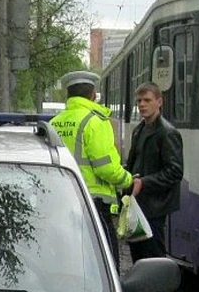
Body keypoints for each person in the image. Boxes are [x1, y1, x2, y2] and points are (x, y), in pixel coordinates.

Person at [50, 70, 142, 272]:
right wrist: (128, 180)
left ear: (69, 95)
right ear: (93, 94)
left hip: (59, 204)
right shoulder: (96, 121)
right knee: (104, 268)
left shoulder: (54, 123)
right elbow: (106, 168)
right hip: (94, 206)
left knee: (67, 264)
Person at [125, 82, 183, 292]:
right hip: (140, 207)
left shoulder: (166, 132)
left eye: (147, 100)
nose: (142, 105)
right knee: (141, 263)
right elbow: (133, 162)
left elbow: (175, 171)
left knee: (154, 264)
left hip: (155, 209)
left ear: (160, 101)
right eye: (139, 101)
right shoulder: (140, 130)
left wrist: (144, 182)